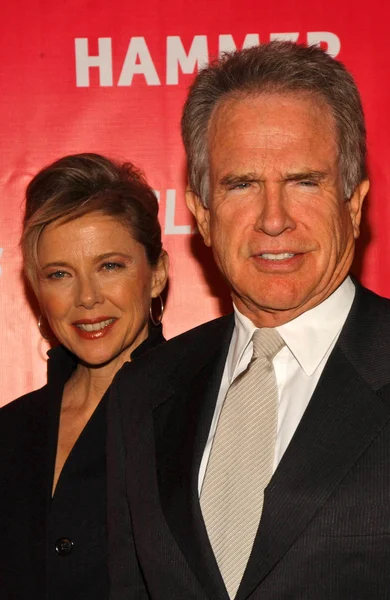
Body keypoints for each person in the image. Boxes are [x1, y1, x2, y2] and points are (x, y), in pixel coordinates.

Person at [107, 41, 390, 599]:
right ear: (202, 215)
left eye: (304, 181)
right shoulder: (141, 395)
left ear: (354, 206)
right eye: (242, 185)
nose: (274, 219)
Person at [0, 153, 169, 600]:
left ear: (157, 275)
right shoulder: (10, 430)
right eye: (59, 275)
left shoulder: (202, 413)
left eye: (109, 266)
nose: (87, 298)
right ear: (37, 290)